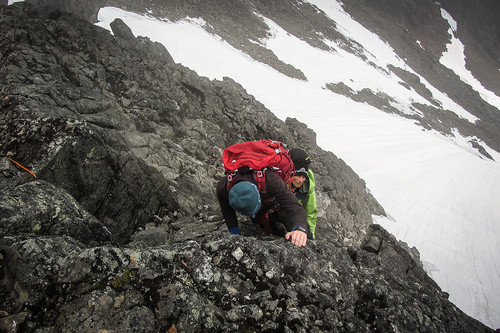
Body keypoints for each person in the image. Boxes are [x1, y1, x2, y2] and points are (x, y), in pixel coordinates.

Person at [216, 168, 309, 247]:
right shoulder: (223, 186)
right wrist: (234, 234)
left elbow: (294, 205)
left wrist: (300, 228)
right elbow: (227, 211)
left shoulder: (272, 180)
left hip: (277, 205)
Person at [288, 148, 318, 239]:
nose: (301, 180)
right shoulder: (279, 179)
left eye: (303, 177)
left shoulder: (307, 185)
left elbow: (311, 211)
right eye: (298, 176)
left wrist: (310, 235)